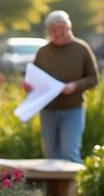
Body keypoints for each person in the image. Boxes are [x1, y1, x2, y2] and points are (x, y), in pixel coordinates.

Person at [26, 10, 98, 164]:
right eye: (53, 29)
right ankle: (53, 188)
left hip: (73, 109)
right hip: (48, 110)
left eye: (61, 28)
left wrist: (75, 85)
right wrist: (28, 86)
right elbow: (34, 78)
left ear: (68, 28)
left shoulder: (81, 49)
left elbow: (93, 78)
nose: (57, 33)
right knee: (51, 155)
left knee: (69, 152)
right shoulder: (43, 52)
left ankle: (73, 188)